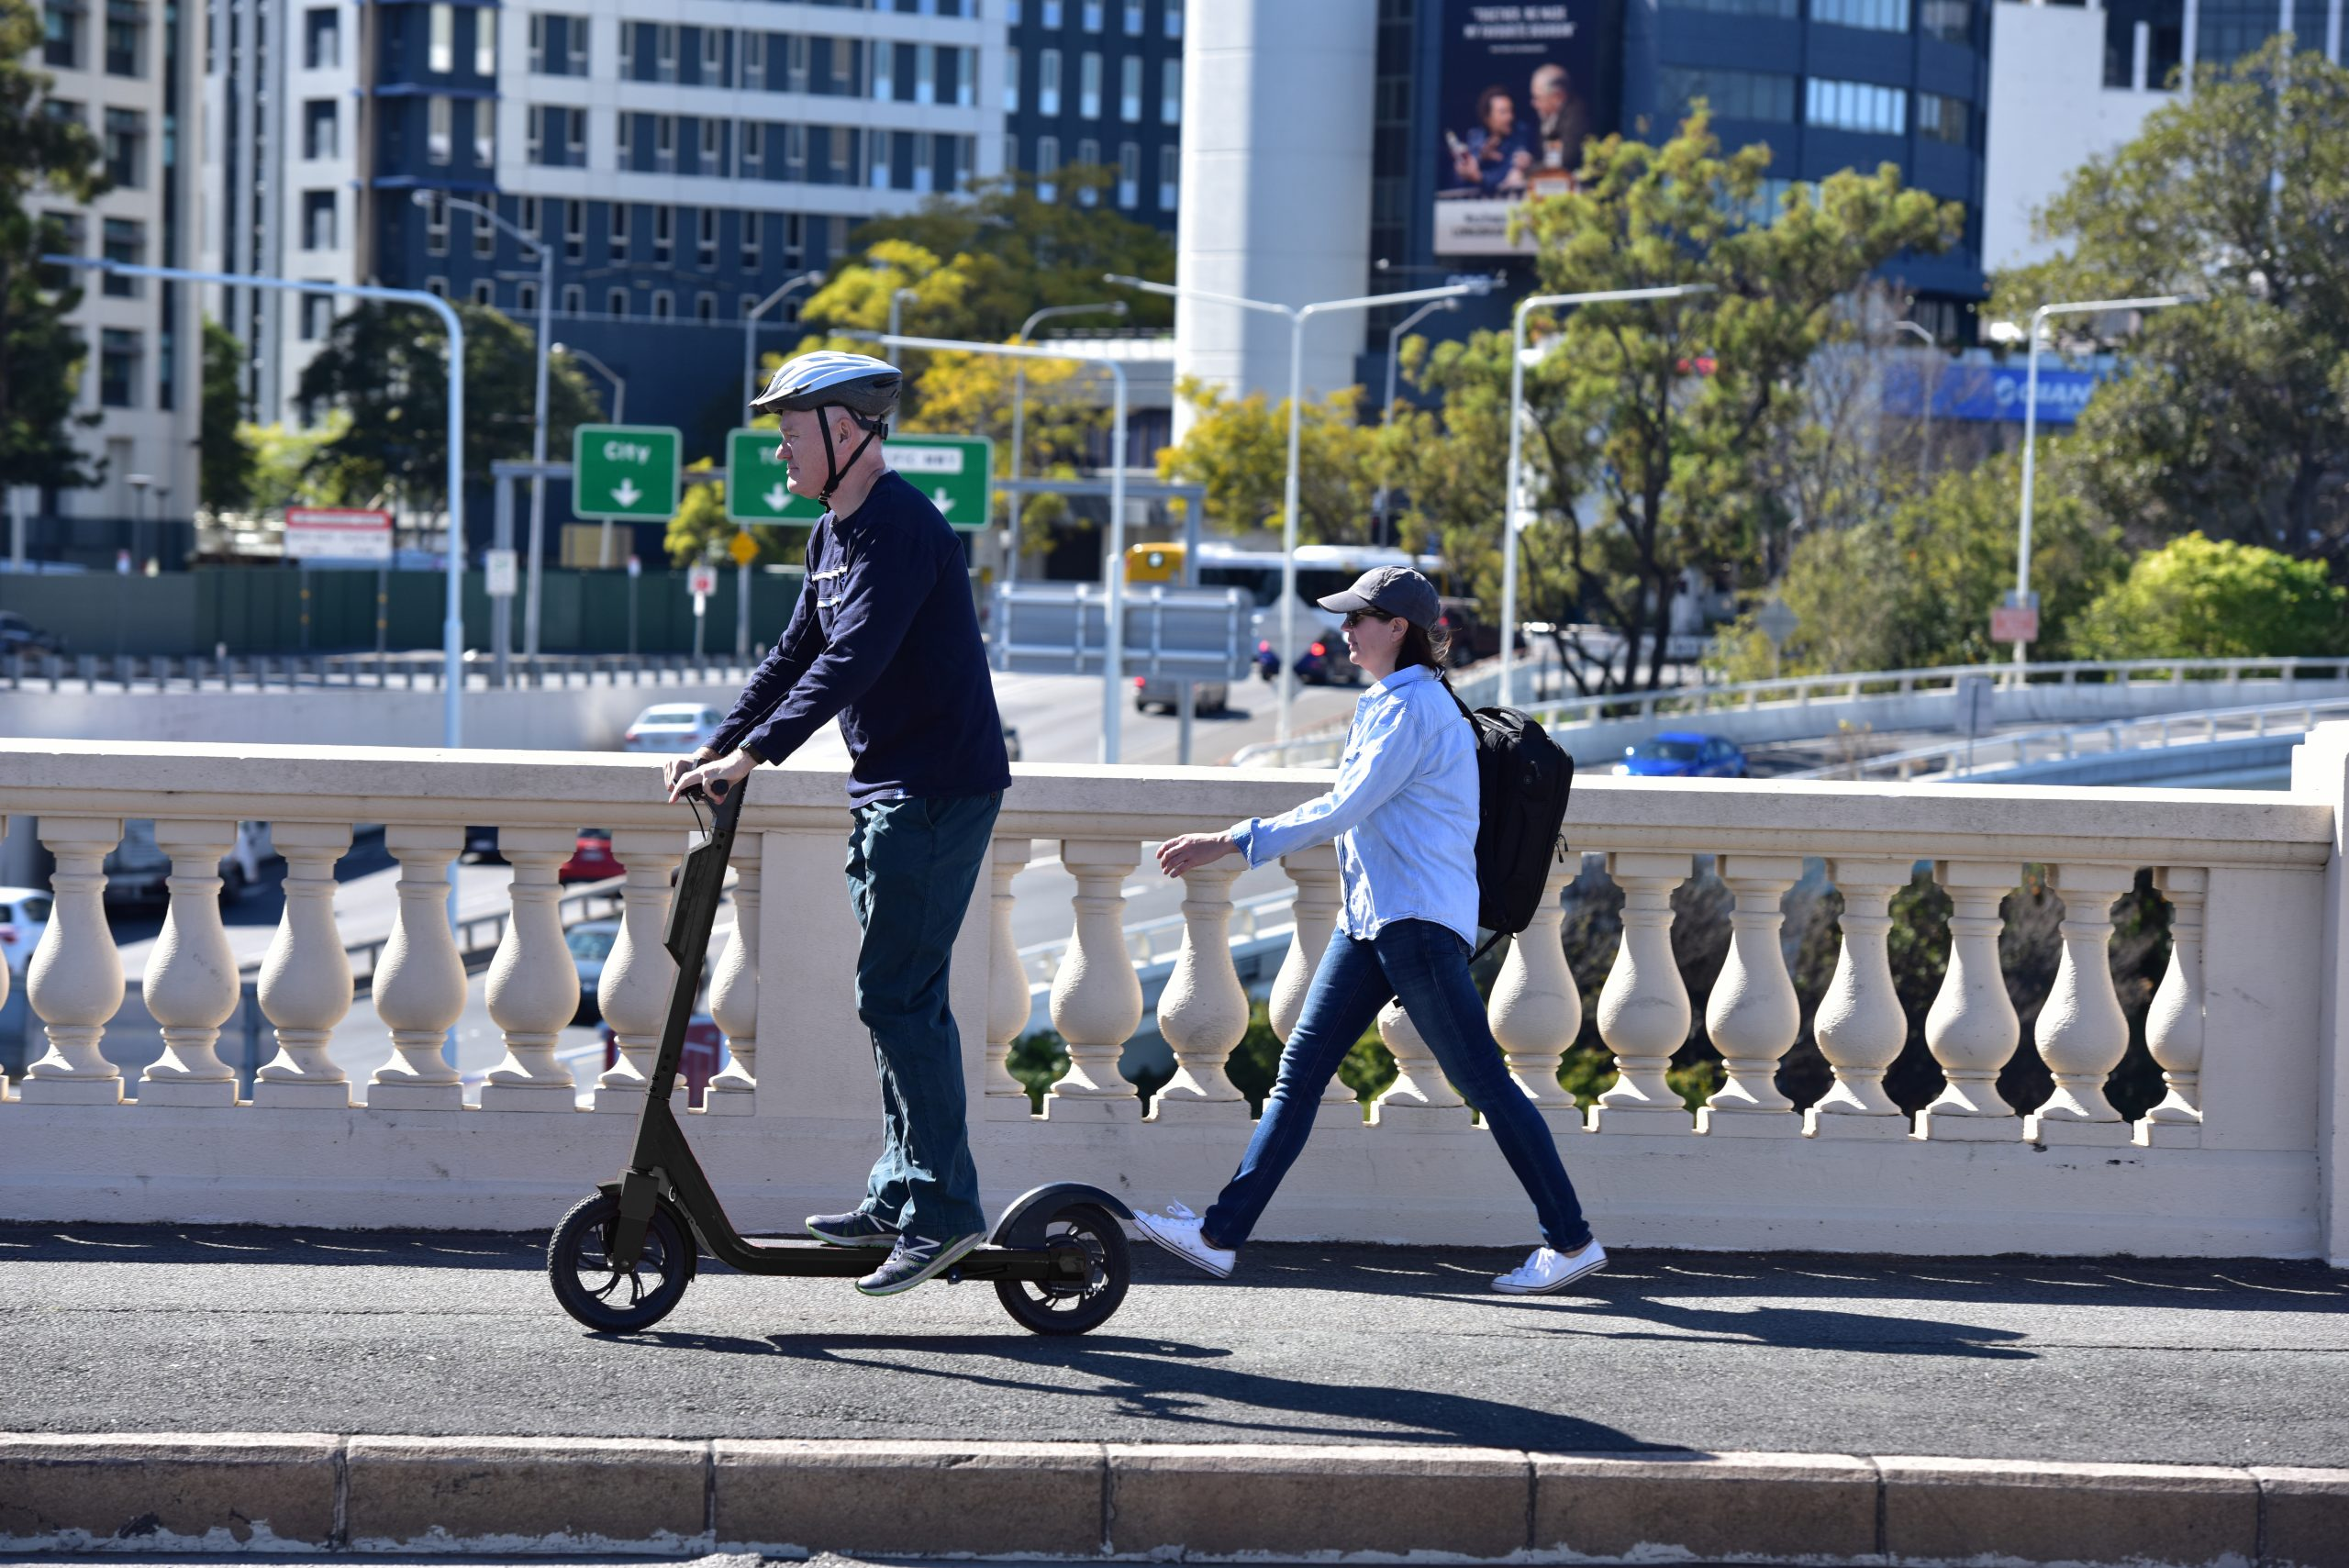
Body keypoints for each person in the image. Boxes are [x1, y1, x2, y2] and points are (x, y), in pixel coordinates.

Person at [1134, 567, 1606, 1296]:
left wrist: (1228, 839)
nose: (1346, 630)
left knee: (1486, 1082)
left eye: (1361, 617)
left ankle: (1570, 1239)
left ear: (1399, 629)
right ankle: (1220, 1235)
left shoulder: (1411, 709)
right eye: (1347, 617)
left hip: (1412, 923)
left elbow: (1342, 808)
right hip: (1375, 921)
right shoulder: (1394, 701)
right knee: (1299, 1073)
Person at [664, 350, 1010, 1298]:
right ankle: (904, 1190)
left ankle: (942, 1209)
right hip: (890, 788)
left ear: (844, 430)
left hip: (935, 788)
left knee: (899, 996)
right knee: (894, 995)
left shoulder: (900, 528)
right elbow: (794, 654)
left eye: (789, 435)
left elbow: (852, 658)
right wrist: (719, 745)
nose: (780, 454)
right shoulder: (834, 534)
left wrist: (756, 755)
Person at [1451, 86, 1534, 195]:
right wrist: (1481, 158)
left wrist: (1480, 178)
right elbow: (1460, 177)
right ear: (1487, 118)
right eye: (1503, 112)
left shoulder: (1520, 133)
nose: (1510, 117)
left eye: (1511, 111)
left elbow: (1508, 175)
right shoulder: (1475, 136)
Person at [1529, 63, 1588, 171]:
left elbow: (1562, 160)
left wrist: (1528, 169)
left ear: (1558, 96)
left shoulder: (1577, 116)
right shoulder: (1549, 116)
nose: (1534, 104)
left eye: (1538, 98)